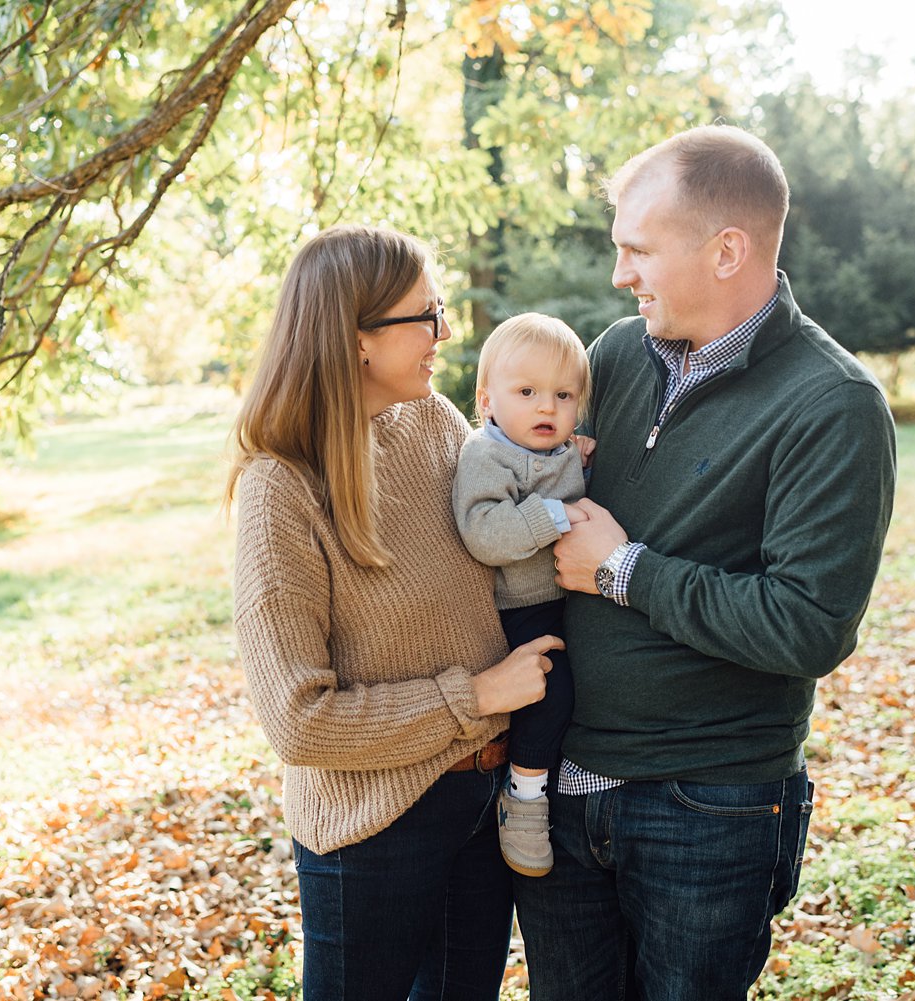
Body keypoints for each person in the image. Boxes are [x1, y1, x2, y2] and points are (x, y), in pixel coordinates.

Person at [512, 125, 897, 1000]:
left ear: (727, 250)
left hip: (708, 803)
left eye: (638, 250)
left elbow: (808, 624)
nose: (621, 275)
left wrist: (624, 569)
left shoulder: (832, 404)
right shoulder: (610, 355)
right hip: (561, 784)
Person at [228, 224, 562, 1001]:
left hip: (483, 804)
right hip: (371, 830)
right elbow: (299, 721)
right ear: (356, 340)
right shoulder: (281, 486)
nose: (444, 333)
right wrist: (475, 696)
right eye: (425, 317)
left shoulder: (438, 422)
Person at [451, 314, 591, 878]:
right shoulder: (486, 455)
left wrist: (585, 459)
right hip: (518, 607)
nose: (546, 408)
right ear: (486, 399)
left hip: (568, 595)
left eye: (563, 395)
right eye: (526, 392)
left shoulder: (565, 450)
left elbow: (569, 473)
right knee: (550, 690)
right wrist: (555, 515)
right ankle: (526, 795)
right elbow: (484, 534)